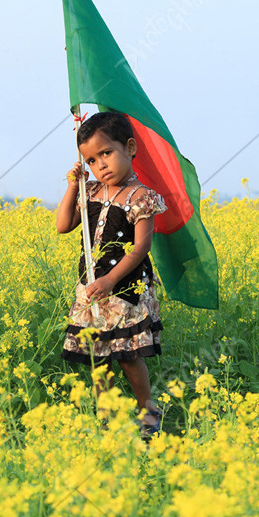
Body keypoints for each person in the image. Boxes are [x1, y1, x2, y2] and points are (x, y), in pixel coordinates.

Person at [55, 111, 167, 437]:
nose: (100, 165)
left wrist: (109, 280)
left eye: (106, 153)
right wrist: (72, 186)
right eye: (91, 159)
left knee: (129, 357)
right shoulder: (88, 191)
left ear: (129, 147)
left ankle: (148, 412)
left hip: (124, 291)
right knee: (97, 358)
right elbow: (63, 225)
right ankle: (107, 419)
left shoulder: (141, 198)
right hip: (91, 291)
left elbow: (140, 248)